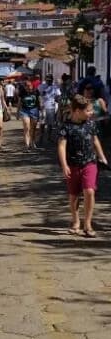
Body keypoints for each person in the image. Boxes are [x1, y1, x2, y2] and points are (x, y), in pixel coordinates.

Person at [58, 94, 109, 237]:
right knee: (74, 195)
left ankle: (88, 223)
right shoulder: (66, 126)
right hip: (73, 165)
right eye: (88, 111)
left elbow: (95, 141)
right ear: (77, 111)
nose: (91, 113)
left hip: (90, 163)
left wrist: (102, 157)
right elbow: (61, 146)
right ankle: (75, 221)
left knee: (90, 191)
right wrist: (64, 165)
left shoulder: (90, 124)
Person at [17, 79, 41, 149]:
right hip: (25, 111)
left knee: (33, 129)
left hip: (34, 110)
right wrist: (18, 112)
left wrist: (41, 110)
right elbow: (19, 103)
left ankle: (32, 142)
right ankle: (27, 145)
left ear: (32, 85)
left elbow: (39, 101)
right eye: (26, 86)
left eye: (29, 86)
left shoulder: (36, 91)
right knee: (27, 127)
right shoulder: (22, 92)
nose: (27, 87)